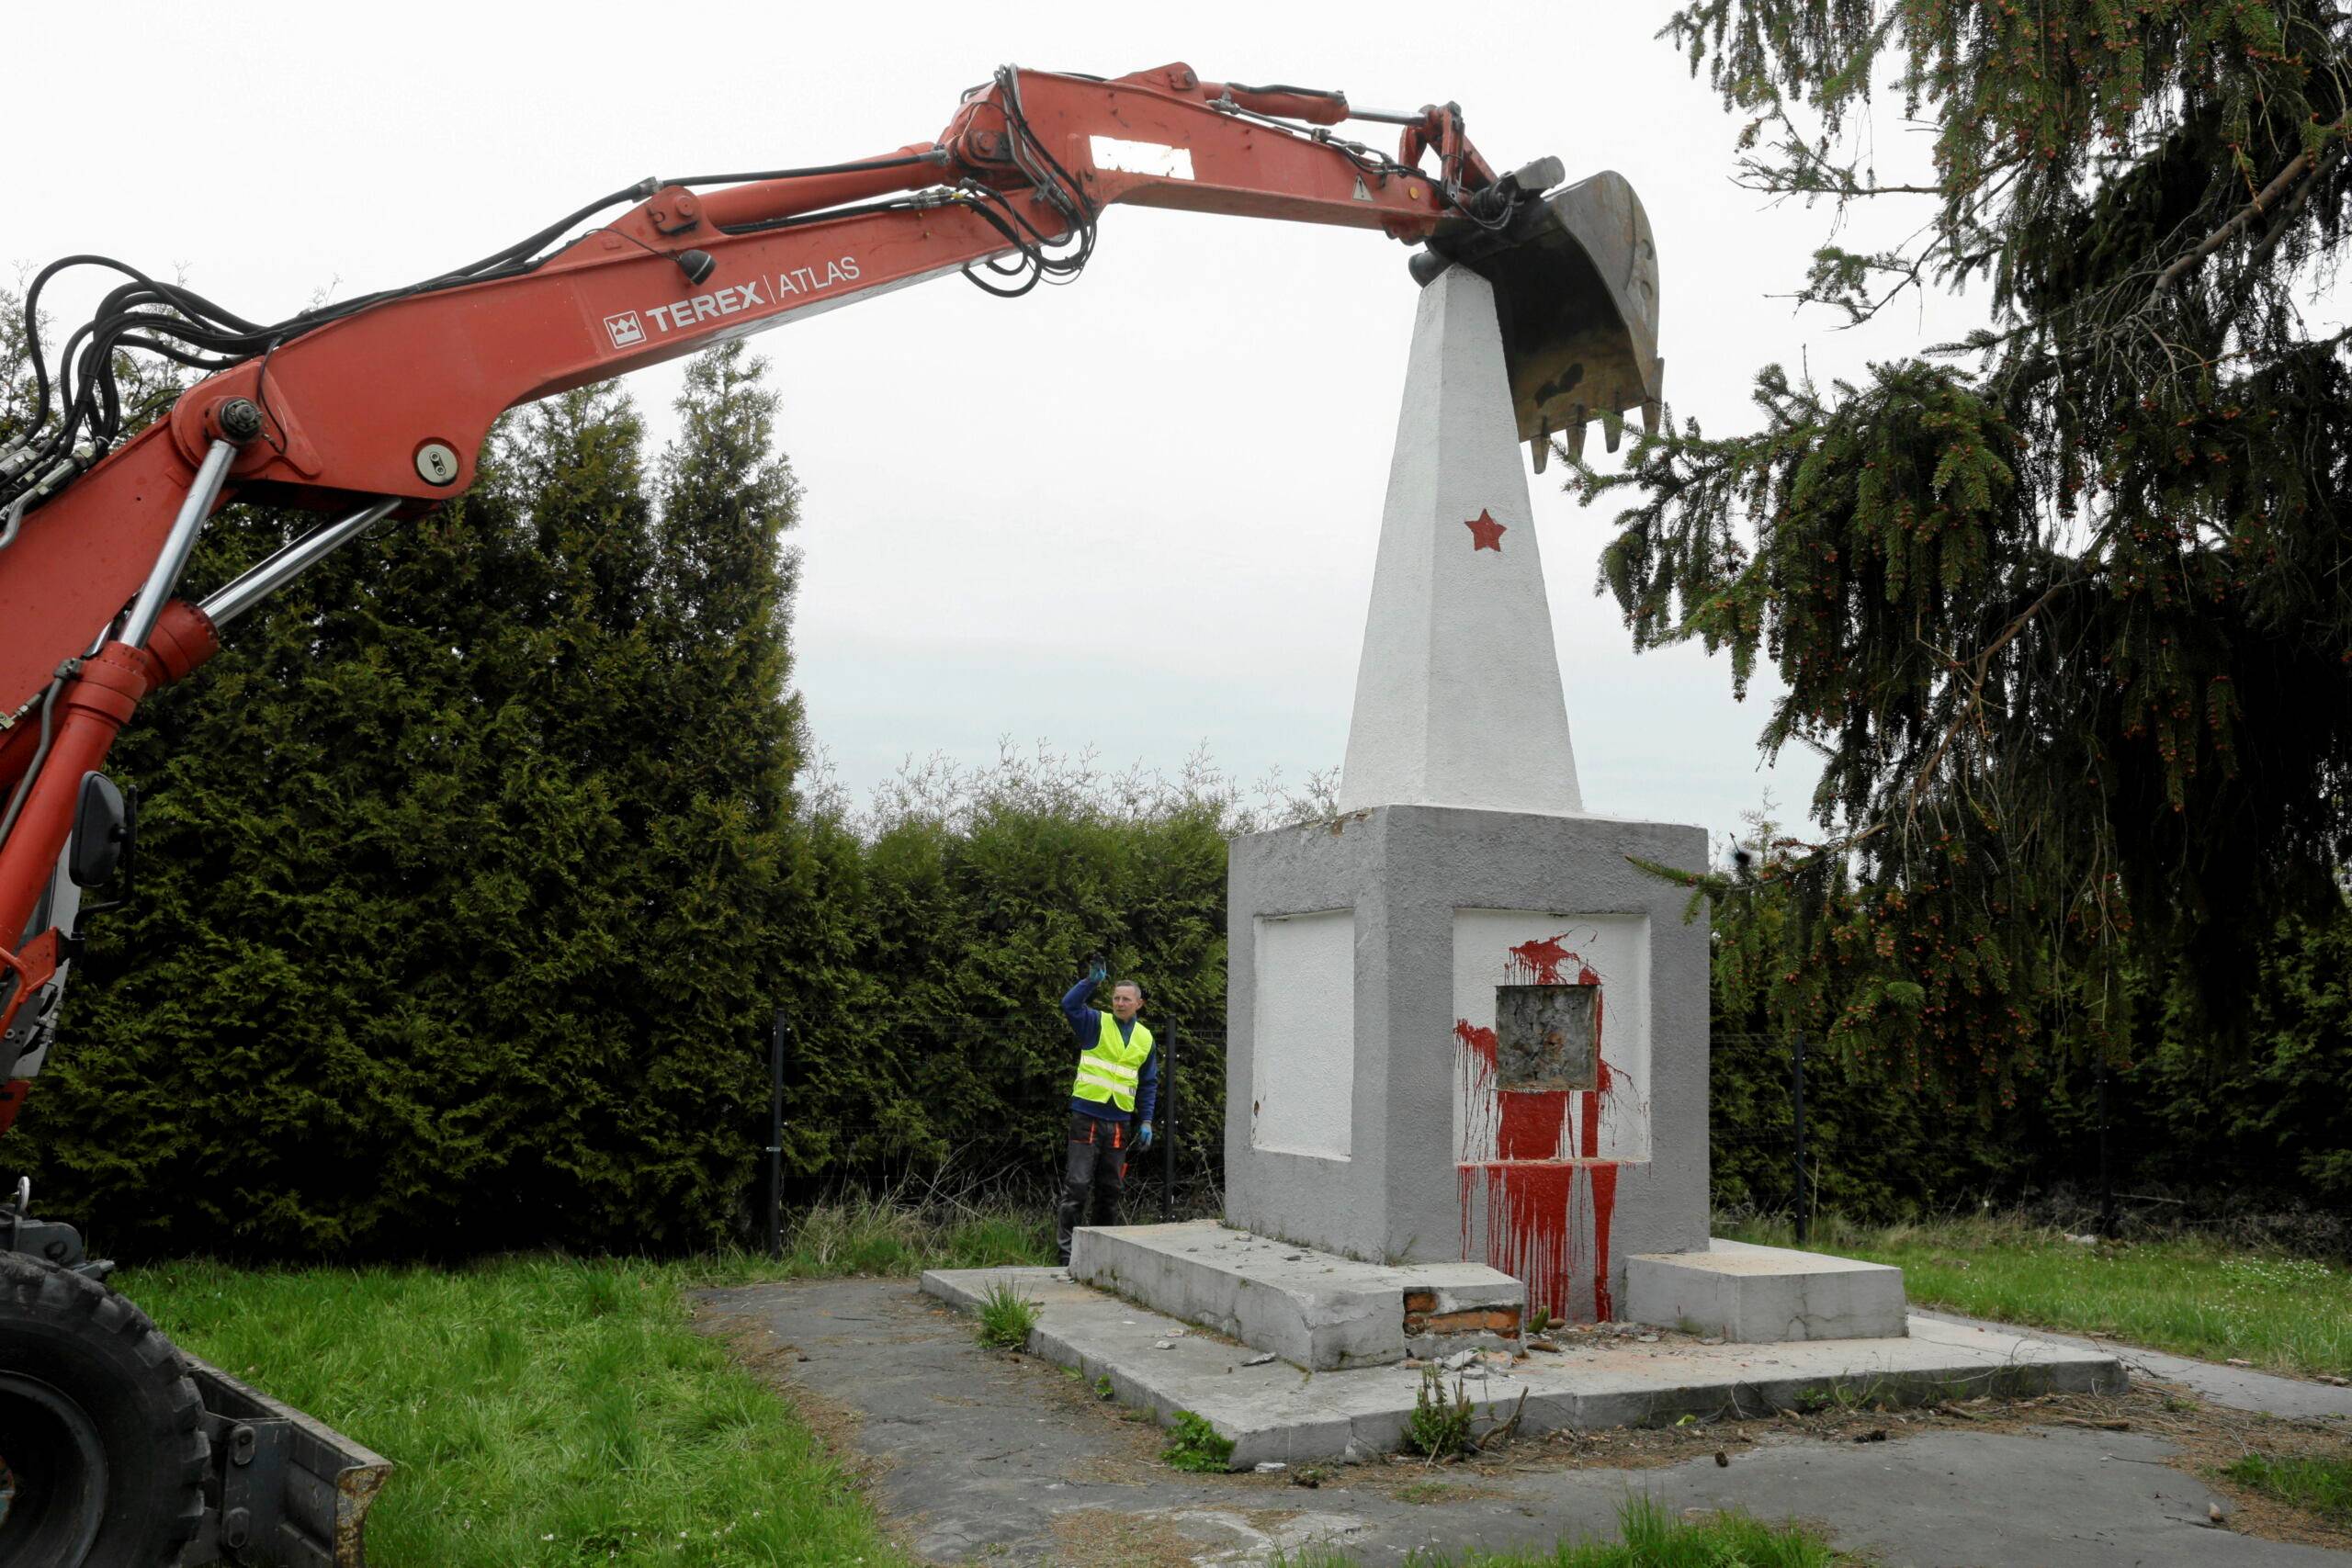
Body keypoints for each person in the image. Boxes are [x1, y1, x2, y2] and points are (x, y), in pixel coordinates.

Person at [1056, 960, 1157, 1267]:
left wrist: (1147, 1121)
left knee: (1110, 1190)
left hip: (1119, 1123)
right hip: (1086, 1117)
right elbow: (1069, 1005)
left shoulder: (1145, 1038)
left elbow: (1148, 1082)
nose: (1120, 1003)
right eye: (1116, 998)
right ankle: (1066, 1256)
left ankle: (1099, 1256)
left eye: (1126, 999)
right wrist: (1090, 982)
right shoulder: (1095, 1022)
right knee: (1077, 1187)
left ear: (1139, 1003)